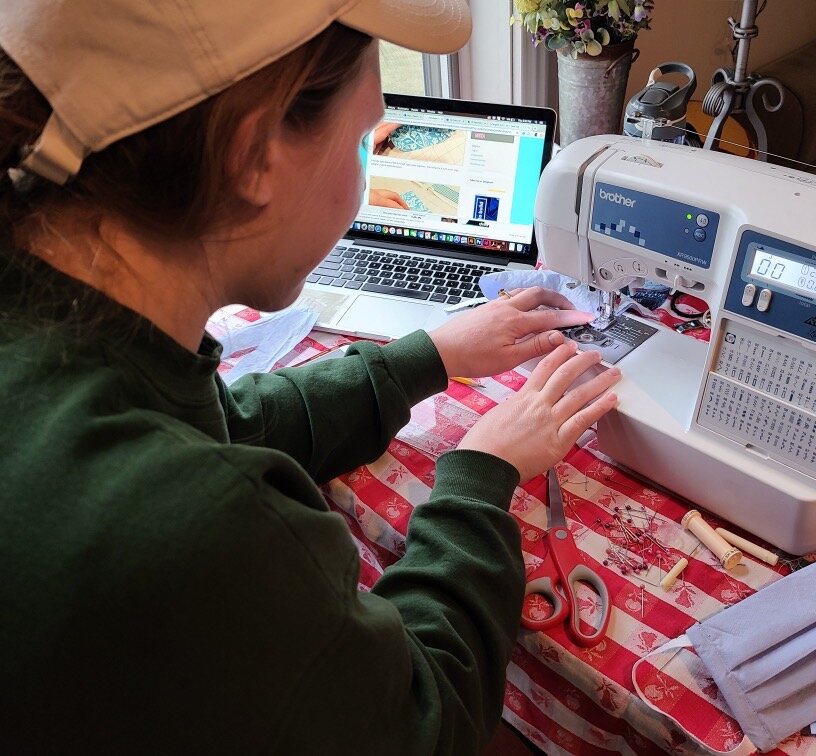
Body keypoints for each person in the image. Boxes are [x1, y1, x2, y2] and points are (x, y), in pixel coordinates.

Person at [0, 1, 621, 753]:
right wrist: (479, 477)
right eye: (365, 141)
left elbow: (221, 417)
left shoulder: (55, 320)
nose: (365, 172)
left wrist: (426, 356)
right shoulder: (201, 530)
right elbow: (427, 719)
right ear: (254, 154)